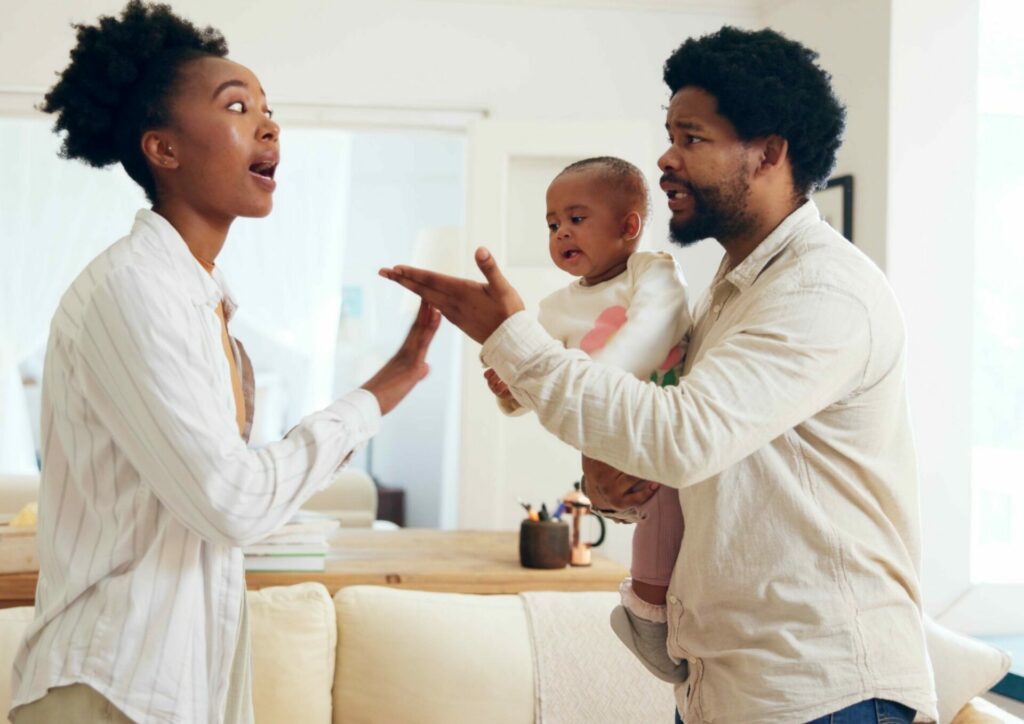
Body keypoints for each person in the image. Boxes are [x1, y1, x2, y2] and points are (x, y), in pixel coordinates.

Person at [382, 25, 938, 724]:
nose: (666, 158)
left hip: (822, 693)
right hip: (725, 688)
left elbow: (682, 436)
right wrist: (611, 488)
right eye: (669, 133)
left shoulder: (821, 294)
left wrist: (509, 336)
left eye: (692, 138)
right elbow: (693, 462)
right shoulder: (730, 293)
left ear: (767, 153)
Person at [9, 3, 439, 723]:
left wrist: (395, 378)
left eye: (269, 110)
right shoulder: (133, 290)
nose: (270, 126)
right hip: (109, 689)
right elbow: (232, 501)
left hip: (171, 688)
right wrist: (376, 395)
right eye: (238, 107)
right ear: (163, 149)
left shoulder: (201, 299)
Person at [484, 156, 690, 682]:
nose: (561, 233)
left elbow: (652, 328)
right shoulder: (554, 307)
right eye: (552, 224)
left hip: (660, 424)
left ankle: (652, 608)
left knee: (668, 522)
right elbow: (541, 381)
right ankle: (648, 614)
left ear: (629, 226)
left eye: (576, 218)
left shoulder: (653, 271)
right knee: (654, 523)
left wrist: (593, 386)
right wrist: (511, 390)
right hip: (617, 442)